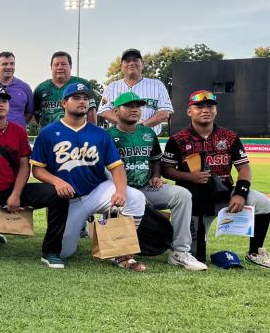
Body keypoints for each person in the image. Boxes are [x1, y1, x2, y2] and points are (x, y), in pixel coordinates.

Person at [30, 83, 147, 270]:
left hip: (96, 191)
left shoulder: (99, 133)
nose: (82, 101)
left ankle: (121, 252)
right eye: (76, 98)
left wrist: (120, 191)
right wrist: (56, 181)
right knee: (64, 252)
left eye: (85, 98)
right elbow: (37, 170)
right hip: (67, 202)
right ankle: (95, 235)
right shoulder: (48, 133)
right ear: (64, 103)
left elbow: (117, 168)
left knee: (135, 198)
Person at [162, 90, 270, 267]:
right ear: (189, 111)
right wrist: (190, 177)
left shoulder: (230, 137)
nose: (205, 110)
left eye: (210, 106)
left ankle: (255, 252)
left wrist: (240, 193)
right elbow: (166, 169)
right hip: (194, 200)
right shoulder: (177, 139)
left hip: (224, 194)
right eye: (199, 106)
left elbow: (244, 168)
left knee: (264, 203)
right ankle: (182, 246)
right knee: (197, 256)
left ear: (215, 111)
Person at [0, 86, 69, 267]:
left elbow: (24, 165)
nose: (0, 104)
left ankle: (51, 251)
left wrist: (16, 194)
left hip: (11, 189)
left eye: (4, 101)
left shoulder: (19, 131)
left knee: (57, 194)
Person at [107, 92, 207, 271]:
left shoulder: (147, 133)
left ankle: (180, 252)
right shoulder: (106, 136)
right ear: (116, 111)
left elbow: (155, 159)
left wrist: (156, 176)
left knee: (182, 195)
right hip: (119, 191)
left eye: (137, 106)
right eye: (129, 106)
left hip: (146, 188)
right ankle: (120, 248)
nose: (134, 110)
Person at [98, 48, 173, 135]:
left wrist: (142, 126)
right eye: (127, 61)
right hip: (118, 138)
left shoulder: (157, 85)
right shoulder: (112, 87)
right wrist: (128, 126)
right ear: (121, 66)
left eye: (135, 60)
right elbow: (105, 112)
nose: (132, 63)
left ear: (142, 64)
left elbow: (164, 113)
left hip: (149, 138)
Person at [33, 51, 97, 126]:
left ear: (70, 66)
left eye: (63, 64)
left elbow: (91, 110)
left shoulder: (82, 84)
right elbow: (35, 113)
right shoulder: (41, 88)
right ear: (51, 67)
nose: (59, 67)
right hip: (48, 135)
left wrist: (91, 133)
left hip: (75, 134)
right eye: (56, 64)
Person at [0, 52, 33, 128]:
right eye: (5, 64)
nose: (9, 67)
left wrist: (17, 127)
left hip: (18, 136)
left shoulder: (25, 87)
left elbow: (29, 113)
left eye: (12, 64)